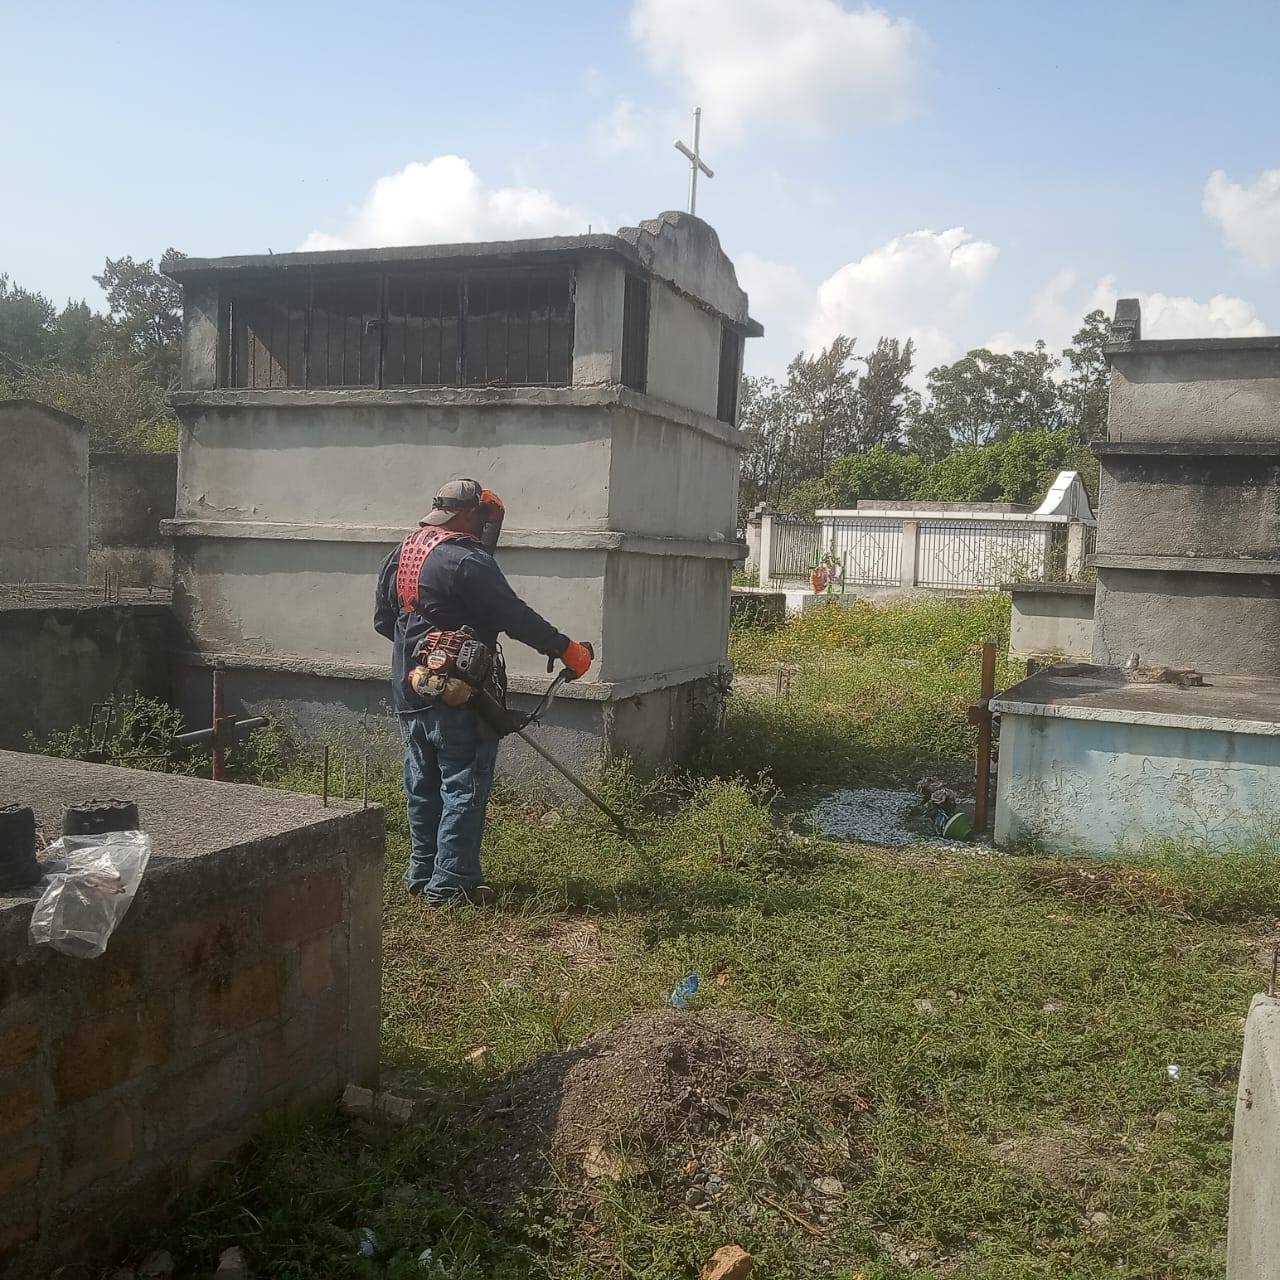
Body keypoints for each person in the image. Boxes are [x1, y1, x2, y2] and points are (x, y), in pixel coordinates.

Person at [374, 478, 593, 906]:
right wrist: (568, 650)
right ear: (470, 514)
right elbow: (513, 616)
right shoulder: (466, 560)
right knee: (463, 785)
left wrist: (423, 654)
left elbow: (384, 622)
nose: (486, 526)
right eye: (483, 516)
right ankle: (452, 885)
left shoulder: (402, 553)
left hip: (411, 692)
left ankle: (422, 873)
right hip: (460, 697)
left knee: (423, 785)